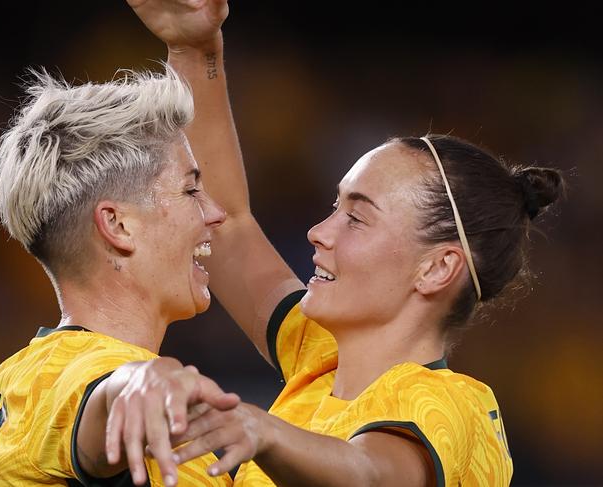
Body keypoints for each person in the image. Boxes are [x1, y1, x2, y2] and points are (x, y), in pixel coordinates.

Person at [127, 1, 565, 486]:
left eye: (356, 218)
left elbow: (370, 473)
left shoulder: (454, 403)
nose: (319, 232)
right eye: (336, 208)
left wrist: (263, 429)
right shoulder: (318, 357)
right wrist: (194, 48)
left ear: (438, 268)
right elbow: (227, 222)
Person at [0, 65, 241, 486]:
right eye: (191, 190)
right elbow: (100, 398)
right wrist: (139, 380)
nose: (215, 212)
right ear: (117, 225)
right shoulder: (42, 379)